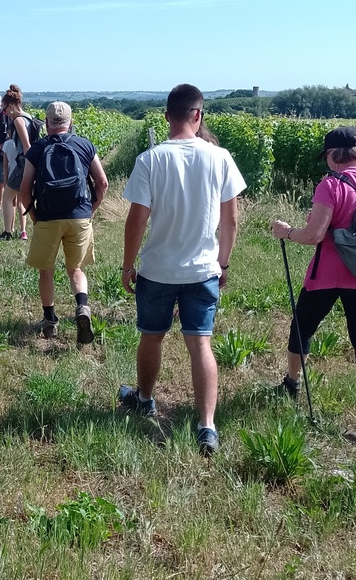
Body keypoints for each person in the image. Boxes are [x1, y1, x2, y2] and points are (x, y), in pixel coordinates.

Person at [120, 84, 246, 456]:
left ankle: (145, 399)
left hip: (158, 270)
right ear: (198, 115)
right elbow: (232, 221)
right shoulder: (220, 157)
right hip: (203, 269)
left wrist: (128, 265)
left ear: (166, 117)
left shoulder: (151, 159)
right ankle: (206, 426)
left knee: (151, 336)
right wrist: (222, 264)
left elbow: (135, 222)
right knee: (200, 343)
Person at [271, 126, 356, 396]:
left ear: (333, 154)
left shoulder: (331, 185)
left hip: (326, 275)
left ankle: (292, 384)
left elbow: (314, 236)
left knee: (302, 328)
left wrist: (288, 232)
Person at [19, 101, 108, 344]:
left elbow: (24, 190)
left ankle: (50, 321)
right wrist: (90, 210)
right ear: (71, 122)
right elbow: (102, 183)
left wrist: (35, 218)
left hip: (47, 217)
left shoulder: (37, 149)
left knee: (45, 270)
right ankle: (82, 308)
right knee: (75, 269)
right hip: (79, 216)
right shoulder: (84, 145)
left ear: (46, 123)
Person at [0, 84, 31, 241]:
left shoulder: (18, 120)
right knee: (24, 199)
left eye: (4, 110)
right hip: (30, 165)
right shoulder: (29, 117)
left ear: (11, 106)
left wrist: (26, 169)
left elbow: (26, 146)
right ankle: (23, 230)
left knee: (7, 197)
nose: (5, 113)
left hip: (22, 165)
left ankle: (7, 232)